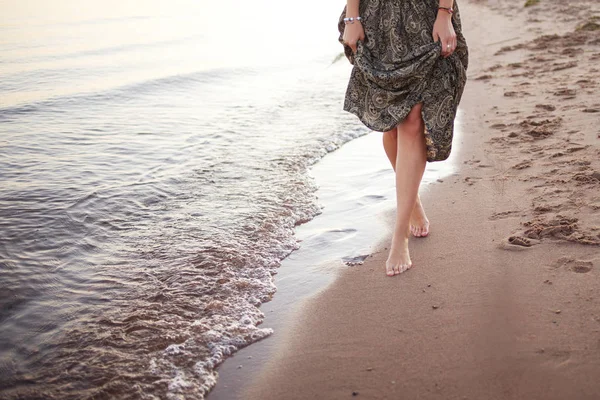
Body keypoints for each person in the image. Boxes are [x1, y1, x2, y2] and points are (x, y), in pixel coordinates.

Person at [338, 0, 468, 277]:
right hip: (377, 16)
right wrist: (352, 17)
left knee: (412, 121)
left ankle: (400, 236)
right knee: (391, 125)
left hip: (425, 14)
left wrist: (444, 13)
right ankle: (413, 202)